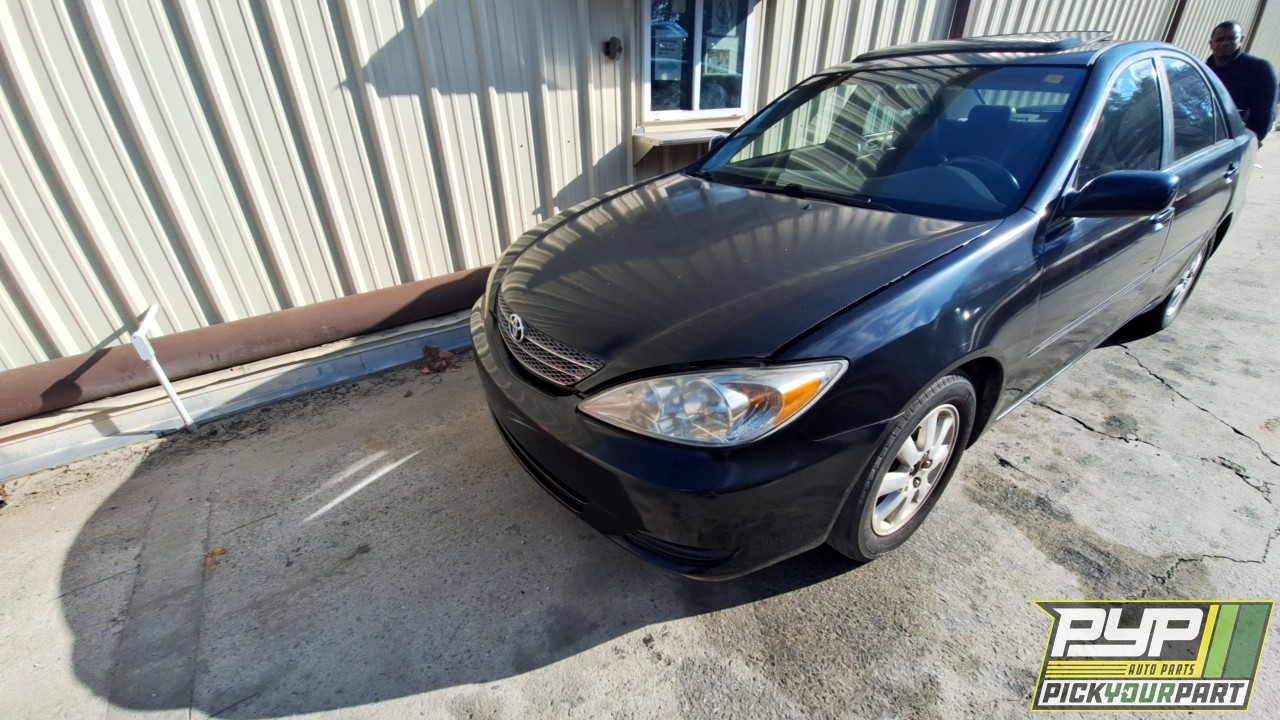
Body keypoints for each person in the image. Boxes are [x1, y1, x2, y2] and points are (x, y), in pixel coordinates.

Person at [1205, 21, 1278, 145]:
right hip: (1201, 139)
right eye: (1220, 39)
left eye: (1231, 38)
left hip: (1232, 144)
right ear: (1211, 44)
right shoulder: (1205, 70)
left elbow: (1263, 117)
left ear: (1241, 39)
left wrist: (1246, 145)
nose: (1225, 43)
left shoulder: (1259, 69)